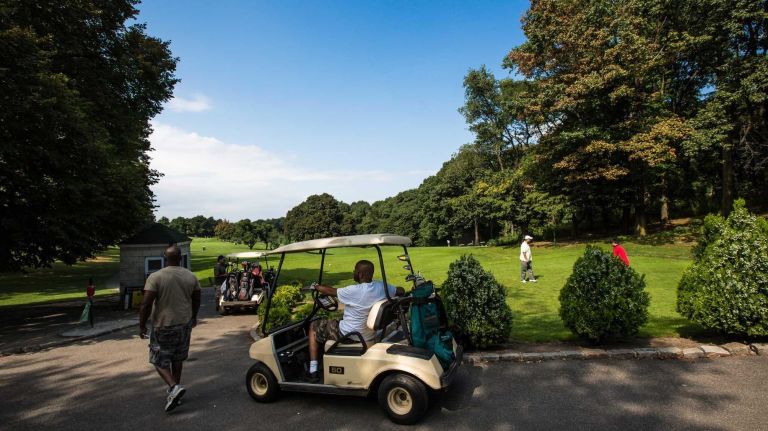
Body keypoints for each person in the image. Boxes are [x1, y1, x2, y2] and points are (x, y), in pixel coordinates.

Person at [307, 260, 405, 382]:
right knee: (337, 321)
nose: (353, 272)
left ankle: (313, 369)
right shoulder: (381, 287)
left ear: (360, 274)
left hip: (350, 335)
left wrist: (316, 286)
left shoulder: (354, 290)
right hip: (368, 333)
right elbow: (401, 290)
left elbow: (331, 291)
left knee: (314, 325)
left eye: (355, 270)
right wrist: (396, 290)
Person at [139, 245, 201, 412]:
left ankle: (173, 387)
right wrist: (194, 316)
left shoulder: (156, 277)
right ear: (180, 258)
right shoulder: (191, 276)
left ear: (165, 258)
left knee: (157, 359)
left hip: (163, 325)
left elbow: (145, 304)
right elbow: (197, 299)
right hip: (184, 324)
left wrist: (141, 325)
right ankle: (174, 393)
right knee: (177, 359)